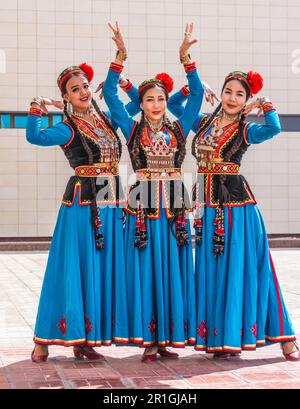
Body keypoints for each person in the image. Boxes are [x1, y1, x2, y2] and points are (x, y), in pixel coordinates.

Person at [168, 70, 300, 361]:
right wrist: (194, 87)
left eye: (240, 94)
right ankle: (221, 337)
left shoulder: (245, 129)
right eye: (228, 91)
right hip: (206, 205)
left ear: (246, 100)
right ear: (221, 93)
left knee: (248, 267)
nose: (232, 98)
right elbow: (175, 107)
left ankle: (285, 338)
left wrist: (265, 104)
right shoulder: (204, 123)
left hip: (236, 209)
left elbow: (273, 129)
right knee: (212, 271)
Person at [103, 22, 204, 362]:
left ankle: (172, 334)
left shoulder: (180, 126)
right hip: (142, 204)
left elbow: (199, 95)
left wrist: (185, 58)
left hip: (174, 201)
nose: (157, 103)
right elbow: (109, 94)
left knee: (174, 264)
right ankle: (148, 337)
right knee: (145, 265)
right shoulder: (130, 128)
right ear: (141, 103)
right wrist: (119, 57)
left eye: (161, 98)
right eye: (150, 99)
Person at [27, 62, 140, 363]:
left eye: (86, 86)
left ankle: (88, 336)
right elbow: (35, 137)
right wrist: (38, 107)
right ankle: (52, 338)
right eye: (75, 89)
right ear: (65, 97)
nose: (83, 92)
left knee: (101, 269)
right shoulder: (68, 127)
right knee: (76, 267)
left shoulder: (104, 120)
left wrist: (121, 79)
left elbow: (137, 104)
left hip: (112, 197)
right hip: (82, 203)